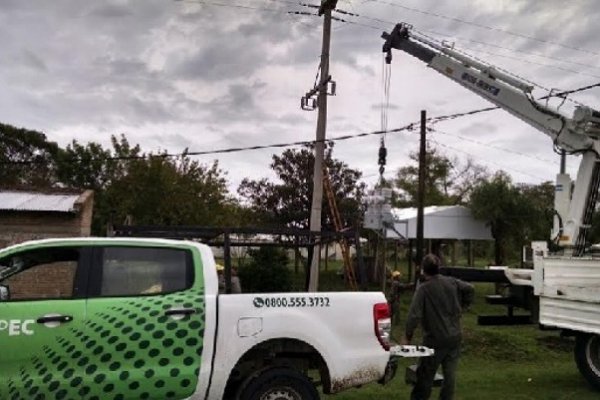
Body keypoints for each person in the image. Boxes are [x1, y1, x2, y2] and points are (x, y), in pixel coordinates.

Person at [402, 254, 474, 400]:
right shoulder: (452, 282)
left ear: (423, 270)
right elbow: (470, 288)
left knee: (425, 376)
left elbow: (414, 315)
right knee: (450, 375)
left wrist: (407, 336)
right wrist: (463, 306)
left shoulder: (424, 289)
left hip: (434, 340)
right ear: (438, 268)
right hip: (454, 338)